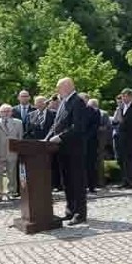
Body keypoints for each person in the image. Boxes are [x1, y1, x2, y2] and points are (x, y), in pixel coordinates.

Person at [45, 78, 88, 225]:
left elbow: (78, 127)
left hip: (74, 149)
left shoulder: (78, 102)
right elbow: (56, 124)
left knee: (77, 182)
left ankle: (80, 213)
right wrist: (46, 139)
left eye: (59, 88)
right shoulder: (63, 102)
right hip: (62, 149)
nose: (57, 91)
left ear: (68, 87)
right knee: (67, 182)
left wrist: (60, 137)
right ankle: (70, 210)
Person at [0, 104, 23, 201]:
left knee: (12, 173)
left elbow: (20, 138)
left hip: (13, 152)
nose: (6, 113)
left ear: (12, 112)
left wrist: (19, 151)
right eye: (3, 111)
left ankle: (12, 192)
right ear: (0, 113)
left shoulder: (18, 123)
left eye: (8, 111)